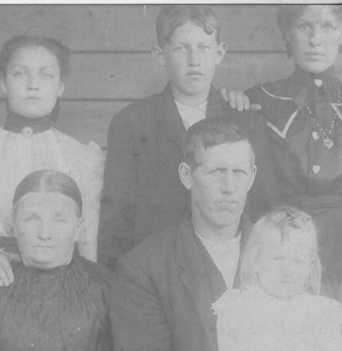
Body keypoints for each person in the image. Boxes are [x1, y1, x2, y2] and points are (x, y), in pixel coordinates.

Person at [98, 5, 276, 267]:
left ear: (220, 52)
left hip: (230, 262)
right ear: (160, 55)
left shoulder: (244, 119)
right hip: (157, 267)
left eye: (204, 48)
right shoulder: (132, 122)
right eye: (182, 49)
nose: (194, 60)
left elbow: (264, 205)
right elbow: (116, 215)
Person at [111, 117, 261, 351]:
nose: (229, 187)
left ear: (252, 176)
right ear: (186, 175)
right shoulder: (142, 269)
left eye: (239, 172)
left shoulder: (283, 255)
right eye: (217, 172)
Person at [0, 35, 104, 287]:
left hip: (63, 284)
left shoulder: (83, 157)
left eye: (46, 75)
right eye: (20, 74)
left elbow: (88, 239)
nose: (33, 85)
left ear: (60, 87)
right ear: (3, 82)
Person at [0, 170, 116, 351]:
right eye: (31, 219)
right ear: (13, 224)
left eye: (59, 220)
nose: (45, 234)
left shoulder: (107, 285)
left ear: (78, 227)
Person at [242, 5, 342, 300]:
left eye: (327, 27)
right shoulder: (259, 100)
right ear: (287, 34)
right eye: (303, 27)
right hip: (281, 241)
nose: (315, 39)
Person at [213, 206, 342, 351]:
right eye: (278, 258)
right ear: (255, 261)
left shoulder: (320, 312)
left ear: (310, 266)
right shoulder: (241, 307)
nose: (287, 270)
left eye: (298, 260)